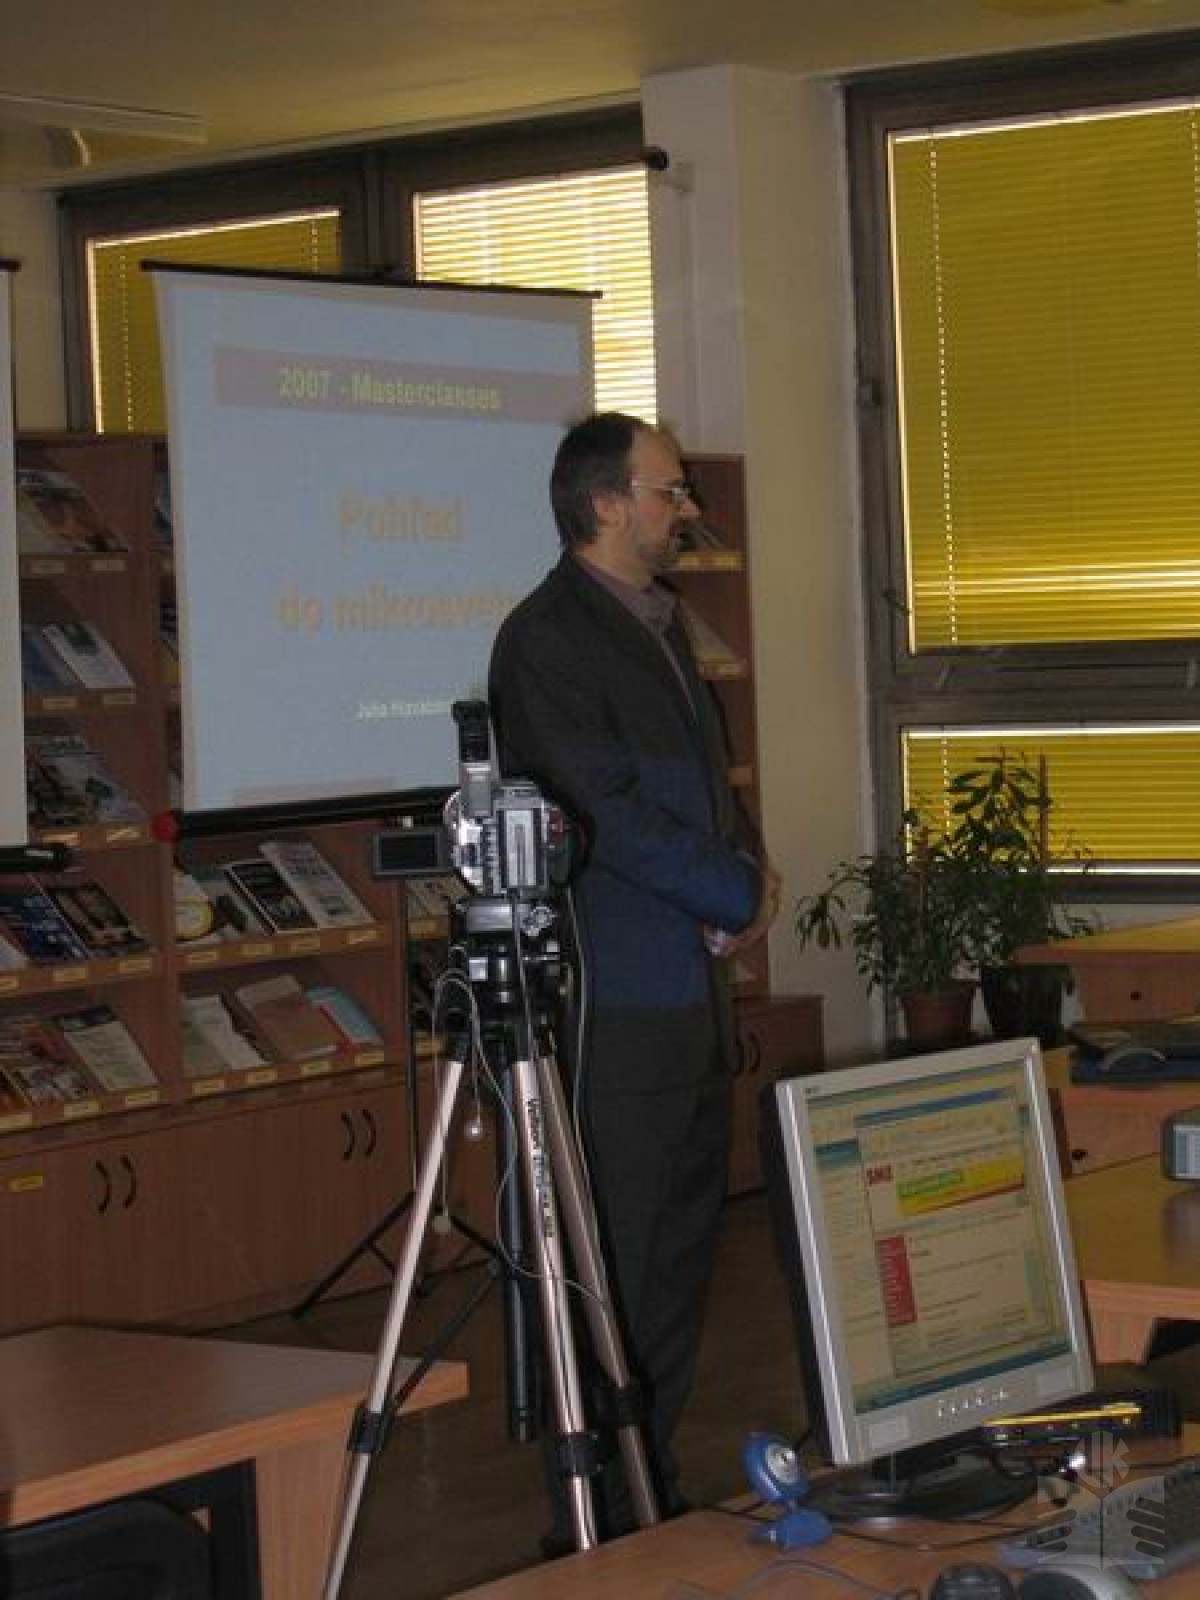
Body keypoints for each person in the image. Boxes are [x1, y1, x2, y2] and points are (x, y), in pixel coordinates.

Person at [488, 410, 780, 1544]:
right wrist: (731, 891)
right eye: (669, 491)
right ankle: (598, 1518)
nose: (686, 507)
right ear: (606, 503)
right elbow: (603, 812)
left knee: (677, 1267)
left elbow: (704, 786)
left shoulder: (656, 622)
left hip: (690, 1001)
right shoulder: (548, 638)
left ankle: (649, 1490)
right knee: (613, 1268)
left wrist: (746, 875)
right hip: (616, 1009)